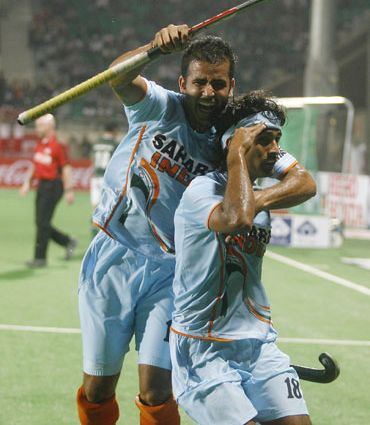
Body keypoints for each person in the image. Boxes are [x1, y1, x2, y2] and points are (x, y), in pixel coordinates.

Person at [76, 24, 316, 425]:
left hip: (172, 271)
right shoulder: (159, 106)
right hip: (113, 255)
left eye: (218, 84)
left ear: (231, 86)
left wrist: (249, 202)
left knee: (156, 387)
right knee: (98, 388)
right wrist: (154, 49)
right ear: (182, 82)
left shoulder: (234, 136)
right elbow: (116, 75)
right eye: (199, 82)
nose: (208, 92)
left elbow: (302, 180)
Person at [170, 91, 311, 425]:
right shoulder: (202, 192)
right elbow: (236, 218)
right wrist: (235, 156)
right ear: (236, 142)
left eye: (277, 140)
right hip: (203, 348)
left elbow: (305, 182)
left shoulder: (258, 192)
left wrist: (257, 198)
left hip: (259, 344)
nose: (275, 149)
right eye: (264, 140)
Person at [19, 114, 77, 267]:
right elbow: (35, 164)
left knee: (42, 223)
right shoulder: (41, 143)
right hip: (42, 186)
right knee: (41, 223)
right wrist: (27, 182)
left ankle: (40, 258)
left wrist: (69, 189)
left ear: (49, 126)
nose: (36, 128)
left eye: (39, 125)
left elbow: (66, 167)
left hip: (53, 185)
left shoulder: (58, 144)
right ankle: (67, 241)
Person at [89, 122, 118, 237]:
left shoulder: (97, 143)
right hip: (107, 178)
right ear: (114, 131)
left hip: (95, 177)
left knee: (95, 206)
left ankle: (93, 233)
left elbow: (92, 160)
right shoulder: (114, 144)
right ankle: (105, 234)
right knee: (108, 207)